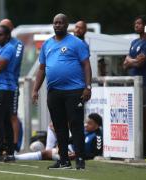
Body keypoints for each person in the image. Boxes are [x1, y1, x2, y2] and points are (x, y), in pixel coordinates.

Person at [32, 13, 92, 170]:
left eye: (60, 23)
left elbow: (86, 65)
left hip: (74, 91)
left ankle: (80, 159)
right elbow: (41, 68)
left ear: (66, 25)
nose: (57, 25)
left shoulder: (77, 43)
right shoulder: (47, 45)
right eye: (55, 23)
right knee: (59, 127)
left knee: (76, 125)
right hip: (54, 92)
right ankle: (64, 160)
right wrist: (35, 89)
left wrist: (88, 87)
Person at [0, 19, 24, 152]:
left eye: (0, 34)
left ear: (8, 34)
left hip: (6, 86)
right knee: (4, 119)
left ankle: (3, 149)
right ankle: (8, 151)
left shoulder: (10, 47)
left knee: (1, 118)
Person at [15, 113, 103, 161]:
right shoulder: (83, 131)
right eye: (86, 122)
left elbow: (96, 154)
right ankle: (51, 148)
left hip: (75, 155)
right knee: (52, 126)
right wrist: (60, 145)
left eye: (90, 123)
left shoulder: (97, 136)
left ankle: (16, 157)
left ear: (97, 126)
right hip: (69, 151)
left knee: (45, 154)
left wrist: (78, 155)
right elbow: (70, 140)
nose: (86, 125)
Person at [123, 15, 146, 155]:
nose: (136, 25)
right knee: (134, 118)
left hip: (145, 85)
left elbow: (140, 63)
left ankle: (145, 152)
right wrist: (133, 60)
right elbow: (125, 64)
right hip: (133, 86)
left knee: (144, 118)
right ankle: (135, 149)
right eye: (135, 23)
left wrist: (130, 61)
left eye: (139, 23)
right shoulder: (134, 42)